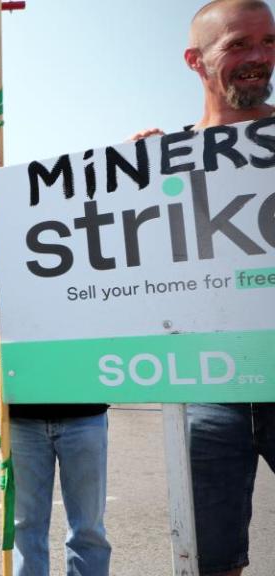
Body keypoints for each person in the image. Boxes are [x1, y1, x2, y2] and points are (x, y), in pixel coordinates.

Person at [131, 2, 275, 574]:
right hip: (210, 388)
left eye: (268, 42)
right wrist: (133, 175)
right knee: (212, 560)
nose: (259, 58)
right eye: (239, 45)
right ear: (195, 60)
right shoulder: (160, 160)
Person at [0, 227, 111, 576]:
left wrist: (24, 301)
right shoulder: (5, 247)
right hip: (21, 416)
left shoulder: (86, 237)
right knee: (25, 527)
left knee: (88, 529)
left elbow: (96, 303)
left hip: (83, 410)